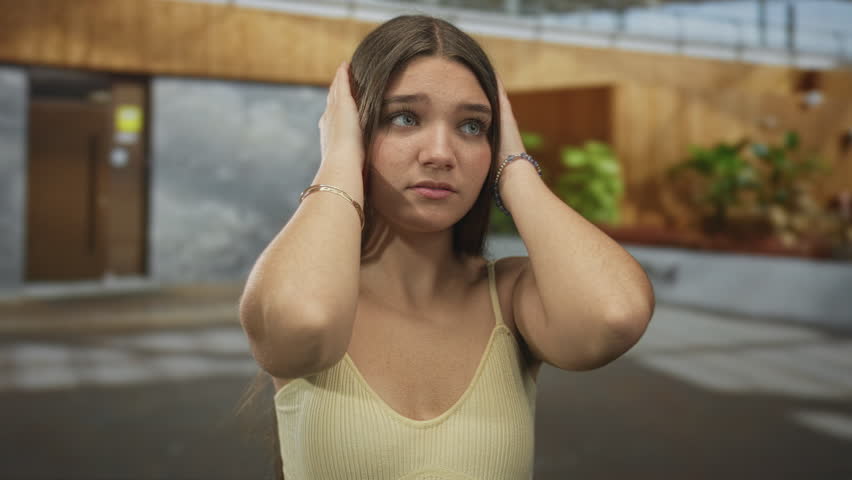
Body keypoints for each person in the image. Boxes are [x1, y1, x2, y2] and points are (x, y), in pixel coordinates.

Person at [238, 14, 654, 480]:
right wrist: (339, 157)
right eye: (404, 117)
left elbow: (615, 315)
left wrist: (515, 170)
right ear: (358, 128)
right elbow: (302, 320)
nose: (440, 152)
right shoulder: (317, 298)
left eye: (472, 127)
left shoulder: (511, 296)